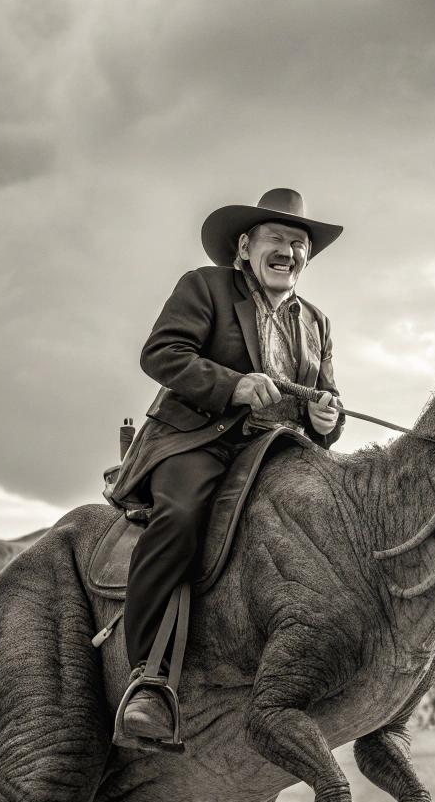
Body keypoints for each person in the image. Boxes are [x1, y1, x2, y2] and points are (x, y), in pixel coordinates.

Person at [107, 188, 345, 743]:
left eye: (299, 243)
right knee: (182, 519)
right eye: (277, 239)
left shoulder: (317, 321)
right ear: (245, 246)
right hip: (197, 440)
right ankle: (148, 677)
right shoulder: (204, 287)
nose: (289, 251)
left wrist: (326, 417)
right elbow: (162, 353)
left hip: (279, 452)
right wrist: (232, 385)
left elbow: (328, 398)